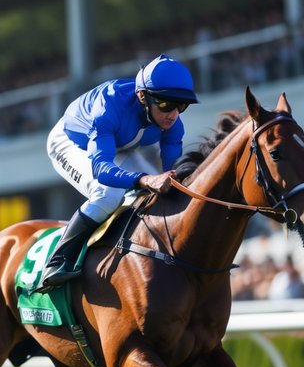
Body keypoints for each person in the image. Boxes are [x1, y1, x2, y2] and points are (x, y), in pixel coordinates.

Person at [37, 54, 197, 290]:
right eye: (165, 104)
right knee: (108, 194)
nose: (173, 114)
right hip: (72, 142)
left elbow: (172, 174)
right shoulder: (109, 106)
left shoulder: (173, 125)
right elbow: (101, 169)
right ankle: (59, 260)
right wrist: (144, 179)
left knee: (158, 191)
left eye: (180, 105)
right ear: (143, 96)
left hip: (120, 145)